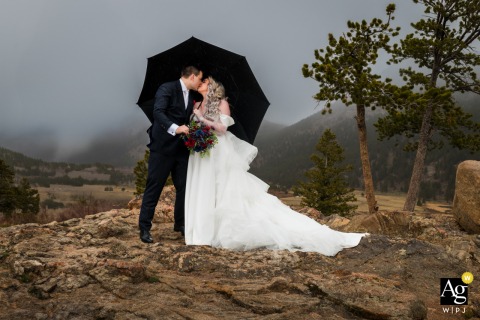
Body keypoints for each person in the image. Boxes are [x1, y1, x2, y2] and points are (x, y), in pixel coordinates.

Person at [184, 77, 367, 256]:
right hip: (203, 153)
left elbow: (222, 129)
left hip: (220, 152)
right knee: (208, 188)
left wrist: (202, 119)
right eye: (200, 81)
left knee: (225, 188)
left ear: (213, 85)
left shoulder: (222, 103)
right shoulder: (197, 104)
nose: (200, 83)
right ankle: (205, 228)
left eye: (204, 81)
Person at [139, 66, 203, 243]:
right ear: (192, 76)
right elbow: (158, 112)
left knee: (184, 187)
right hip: (162, 148)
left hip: (182, 150)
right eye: (199, 78)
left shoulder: (192, 96)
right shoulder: (166, 89)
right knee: (155, 187)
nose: (200, 82)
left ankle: (180, 224)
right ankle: (144, 228)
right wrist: (176, 128)